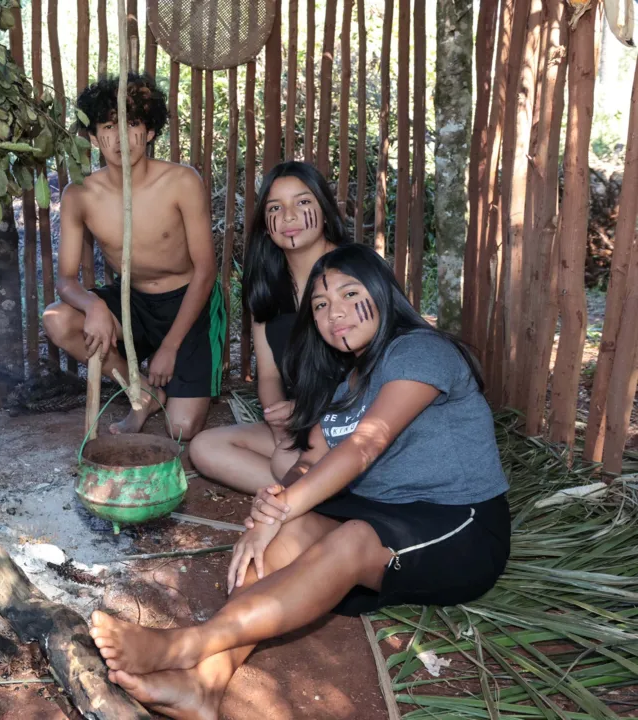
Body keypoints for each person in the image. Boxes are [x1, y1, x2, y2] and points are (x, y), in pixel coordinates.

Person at [88, 244, 511, 719]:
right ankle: (204, 687)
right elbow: (312, 459)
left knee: (346, 536)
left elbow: (365, 445)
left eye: (351, 294)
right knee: (279, 536)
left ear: (384, 292)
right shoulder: (345, 383)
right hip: (380, 517)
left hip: (460, 526)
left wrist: (284, 507)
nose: (336, 313)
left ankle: (186, 646)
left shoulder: (421, 350)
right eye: (321, 305)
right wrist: (272, 507)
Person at [42, 73, 222, 440]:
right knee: (58, 320)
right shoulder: (80, 196)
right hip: (131, 303)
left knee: (182, 428)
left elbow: (206, 270)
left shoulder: (182, 182)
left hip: (187, 301)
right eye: (109, 126)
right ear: (93, 137)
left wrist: (170, 347)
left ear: (150, 131)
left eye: (132, 123)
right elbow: (65, 280)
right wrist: (93, 305)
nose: (121, 136)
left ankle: (167, 383)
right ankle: (138, 390)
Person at [189, 162, 350, 493]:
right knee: (204, 447)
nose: (289, 217)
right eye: (276, 207)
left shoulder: (353, 274)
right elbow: (269, 377)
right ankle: (317, 500)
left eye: (303, 202)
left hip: (353, 423)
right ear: (265, 222)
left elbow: (379, 375)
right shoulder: (267, 281)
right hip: (299, 422)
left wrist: (310, 413)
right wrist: (281, 429)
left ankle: (311, 497)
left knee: (284, 463)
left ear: (325, 209)